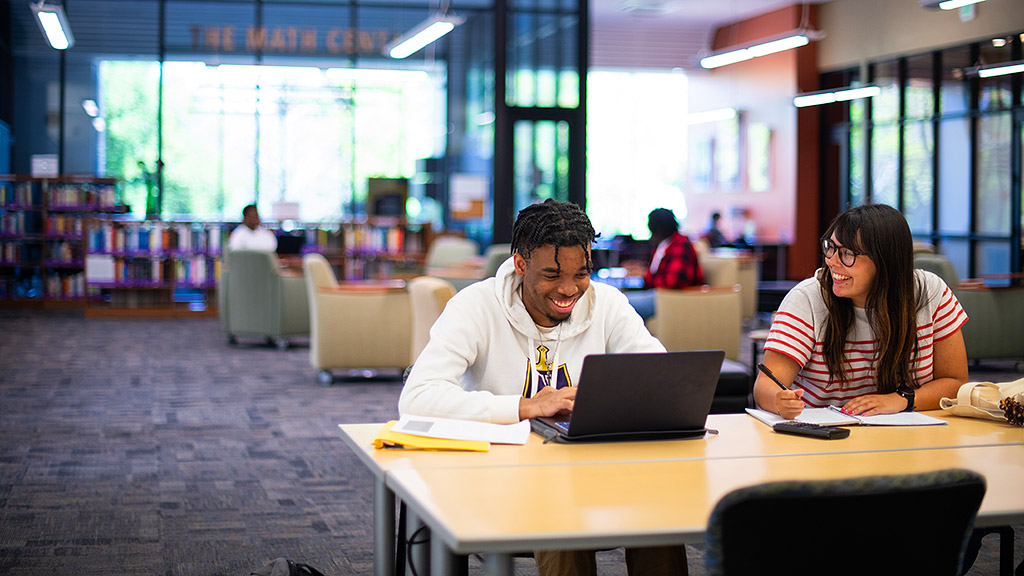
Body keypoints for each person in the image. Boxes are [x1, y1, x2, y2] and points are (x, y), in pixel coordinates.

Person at [399, 199, 689, 576]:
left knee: (659, 509)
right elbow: (417, 397)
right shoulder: (475, 306)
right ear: (521, 264)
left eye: (581, 274)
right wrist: (523, 407)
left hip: (591, 472)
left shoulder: (608, 305)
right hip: (499, 477)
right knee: (557, 510)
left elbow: (661, 377)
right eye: (552, 275)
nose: (569, 289)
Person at [753, 204, 969, 420]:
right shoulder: (807, 298)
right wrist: (779, 401)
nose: (832, 262)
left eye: (847, 253)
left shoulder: (929, 292)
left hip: (907, 433)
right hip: (822, 436)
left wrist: (901, 400)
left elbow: (955, 383)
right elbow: (765, 386)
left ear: (885, 261)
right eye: (831, 247)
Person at [624, 208, 704, 320]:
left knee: (620, 303)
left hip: (674, 298)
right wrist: (642, 270)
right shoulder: (665, 244)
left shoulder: (680, 245)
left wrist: (644, 275)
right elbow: (661, 273)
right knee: (618, 298)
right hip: (664, 295)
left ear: (657, 228)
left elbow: (672, 281)